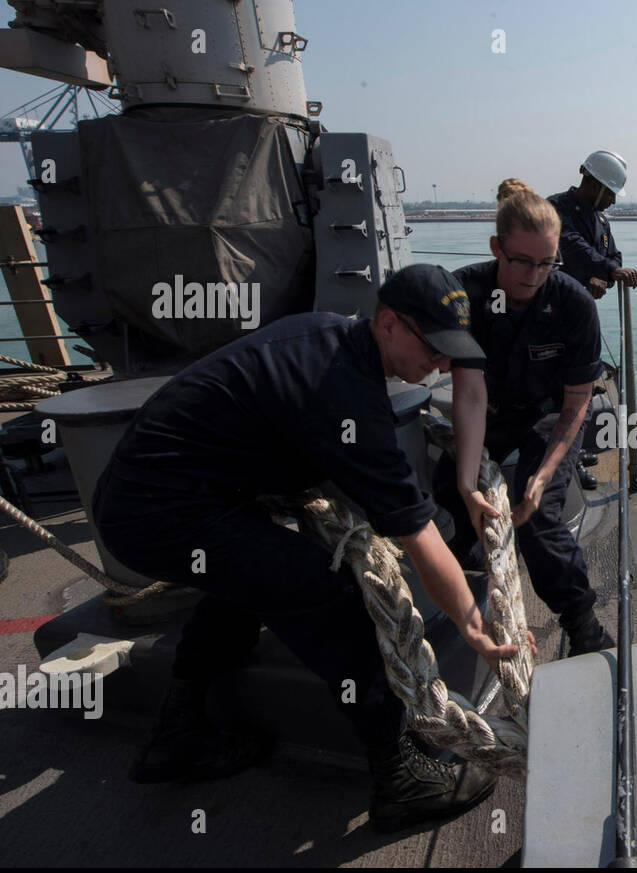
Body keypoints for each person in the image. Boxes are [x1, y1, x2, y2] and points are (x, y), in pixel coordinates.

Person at [92, 264, 525, 833]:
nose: (442, 365)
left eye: (452, 353)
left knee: (244, 582)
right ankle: (400, 777)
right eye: (434, 348)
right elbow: (416, 533)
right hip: (160, 511)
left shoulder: (329, 335)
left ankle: (178, 731)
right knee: (328, 595)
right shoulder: (343, 393)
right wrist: (475, 627)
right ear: (389, 323)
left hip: (150, 496)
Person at [435, 181, 615, 657]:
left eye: (547, 263)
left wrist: (542, 476)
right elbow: (469, 394)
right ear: (497, 248)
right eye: (521, 261)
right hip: (490, 407)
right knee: (446, 489)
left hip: (549, 413)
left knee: (540, 514)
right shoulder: (467, 294)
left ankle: (583, 623)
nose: (534, 275)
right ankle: (477, 575)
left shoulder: (573, 305)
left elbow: (577, 403)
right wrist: (467, 483)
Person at [548, 150, 637, 301]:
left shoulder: (601, 221)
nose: (613, 201)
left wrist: (604, 277)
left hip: (580, 308)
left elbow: (614, 256)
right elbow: (572, 245)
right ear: (595, 185)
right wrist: (610, 270)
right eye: (611, 194)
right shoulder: (554, 209)